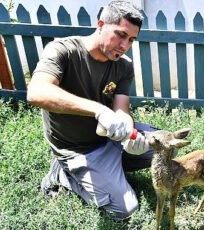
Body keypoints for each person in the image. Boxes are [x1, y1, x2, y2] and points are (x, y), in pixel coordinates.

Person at [27, 0, 154, 221]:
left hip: (109, 138)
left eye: (131, 40)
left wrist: (128, 132)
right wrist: (98, 110)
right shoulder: (63, 50)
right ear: (101, 24)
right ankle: (63, 172)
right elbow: (37, 92)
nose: (125, 45)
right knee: (125, 210)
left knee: (162, 148)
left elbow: (121, 108)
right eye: (121, 35)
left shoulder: (123, 65)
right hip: (78, 149)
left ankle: (110, 170)